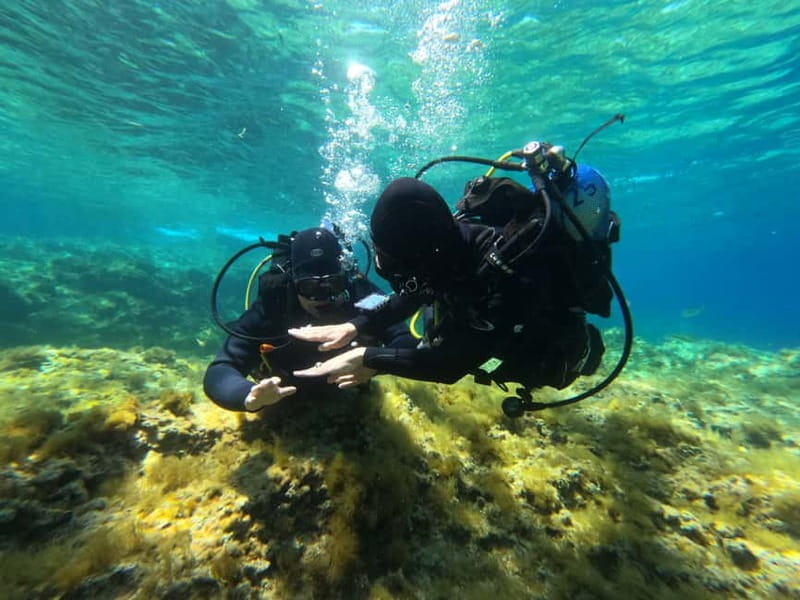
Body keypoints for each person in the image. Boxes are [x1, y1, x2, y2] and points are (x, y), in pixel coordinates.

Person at [289, 176, 608, 400]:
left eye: (390, 259)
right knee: (435, 322)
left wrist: (367, 356)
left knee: (542, 367)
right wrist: (353, 325)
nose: (384, 266)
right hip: (474, 314)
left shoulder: (507, 277)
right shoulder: (446, 247)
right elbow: (416, 291)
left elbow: (450, 364)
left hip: (530, 339)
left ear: (417, 256)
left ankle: (586, 355)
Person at [203, 226, 402, 412]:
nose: (322, 298)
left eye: (333, 284)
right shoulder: (275, 304)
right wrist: (248, 396)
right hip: (282, 393)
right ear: (292, 282)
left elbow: (405, 339)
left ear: (345, 278)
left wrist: (375, 363)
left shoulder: (362, 295)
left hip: (349, 391)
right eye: (309, 288)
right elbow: (221, 370)